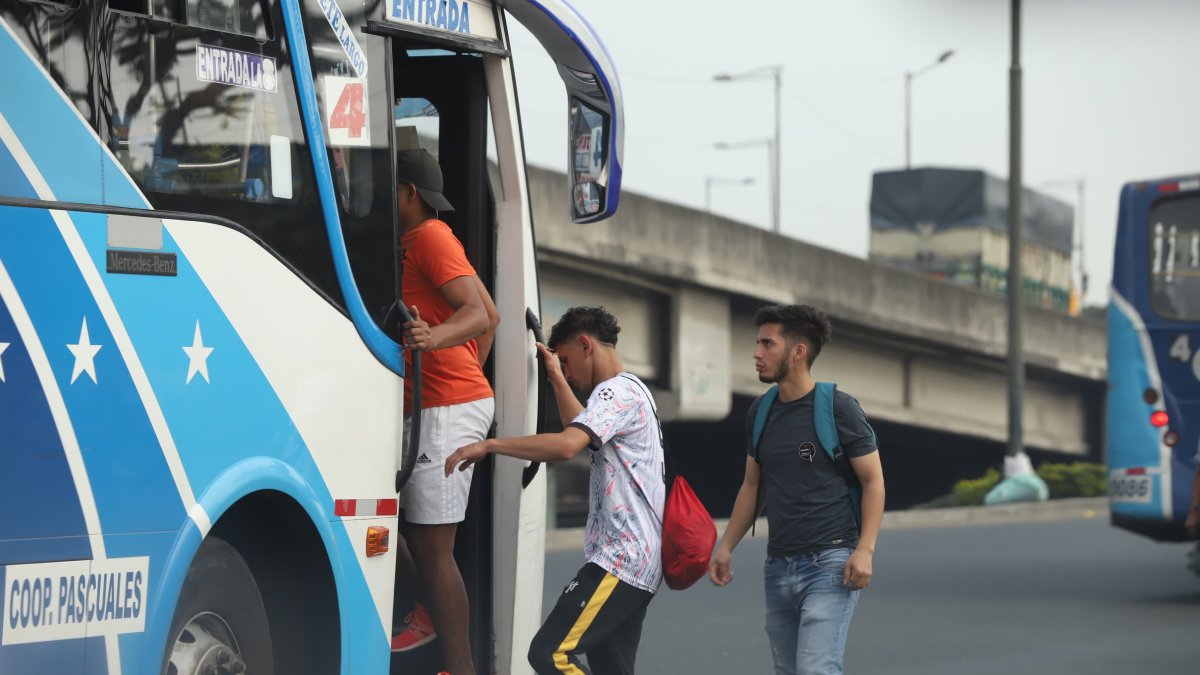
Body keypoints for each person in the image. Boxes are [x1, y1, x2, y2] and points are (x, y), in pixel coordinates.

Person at [445, 306, 665, 675]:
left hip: (622, 560)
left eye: (565, 360)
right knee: (613, 668)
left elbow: (567, 445)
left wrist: (489, 445)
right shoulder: (634, 390)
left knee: (550, 654)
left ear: (585, 345)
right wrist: (555, 377)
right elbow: (579, 426)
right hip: (638, 559)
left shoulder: (614, 394)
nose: (566, 370)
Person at [709, 304, 885, 675]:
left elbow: (873, 481)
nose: (756, 353)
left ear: (798, 351)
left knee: (815, 669)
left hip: (831, 562)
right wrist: (726, 546)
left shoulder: (838, 408)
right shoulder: (761, 411)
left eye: (767, 344)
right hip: (778, 565)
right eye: (757, 343)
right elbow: (752, 486)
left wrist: (865, 549)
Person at [390, 148, 500, 675]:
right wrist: (464, 367)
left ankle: (460, 668)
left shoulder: (429, 236)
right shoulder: (416, 240)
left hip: (446, 404)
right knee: (406, 535)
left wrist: (437, 347)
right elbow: (494, 316)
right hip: (441, 399)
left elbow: (478, 314)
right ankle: (427, 611)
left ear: (408, 192)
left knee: (433, 548)